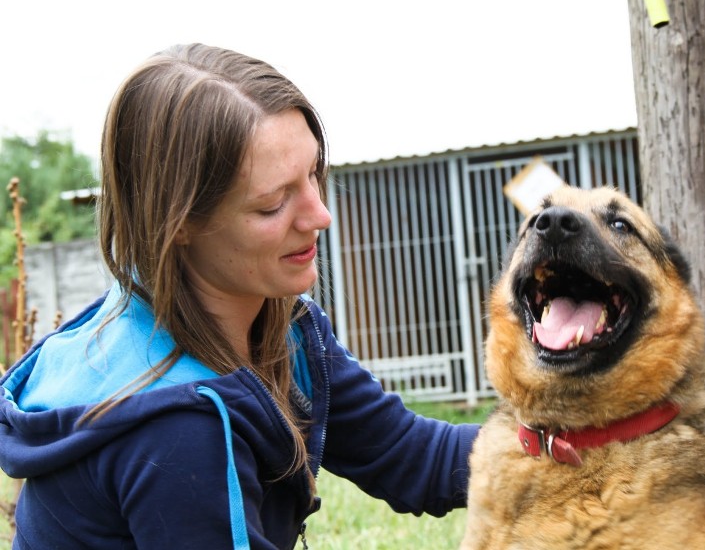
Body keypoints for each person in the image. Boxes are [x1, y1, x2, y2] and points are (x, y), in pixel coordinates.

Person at [0, 43, 479, 549]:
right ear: (180, 223)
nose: (320, 215)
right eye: (273, 202)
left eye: (314, 173)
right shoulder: (177, 429)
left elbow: (414, 456)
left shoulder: (283, 330)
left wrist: (559, 438)